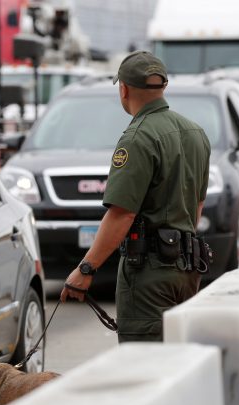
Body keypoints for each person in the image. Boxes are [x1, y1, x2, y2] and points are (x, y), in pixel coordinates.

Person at [60, 50, 211, 342]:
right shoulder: (196, 133)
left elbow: (122, 213)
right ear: (163, 87)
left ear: (124, 89)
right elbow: (198, 204)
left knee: (145, 365)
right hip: (188, 271)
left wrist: (86, 268)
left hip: (149, 276)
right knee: (179, 362)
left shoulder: (138, 137)